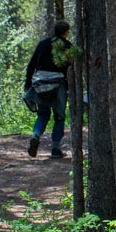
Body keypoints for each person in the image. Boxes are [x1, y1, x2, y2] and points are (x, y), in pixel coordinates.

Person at [24, 19, 73, 158]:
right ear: (66, 32)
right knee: (59, 117)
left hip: (40, 85)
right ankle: (56, 149)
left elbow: (32, 64)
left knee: (43, 115)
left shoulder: (43, 44)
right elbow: (72, 67)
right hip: (59, 85)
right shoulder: (67, 46)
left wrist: (28, 84)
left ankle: (36, 135)